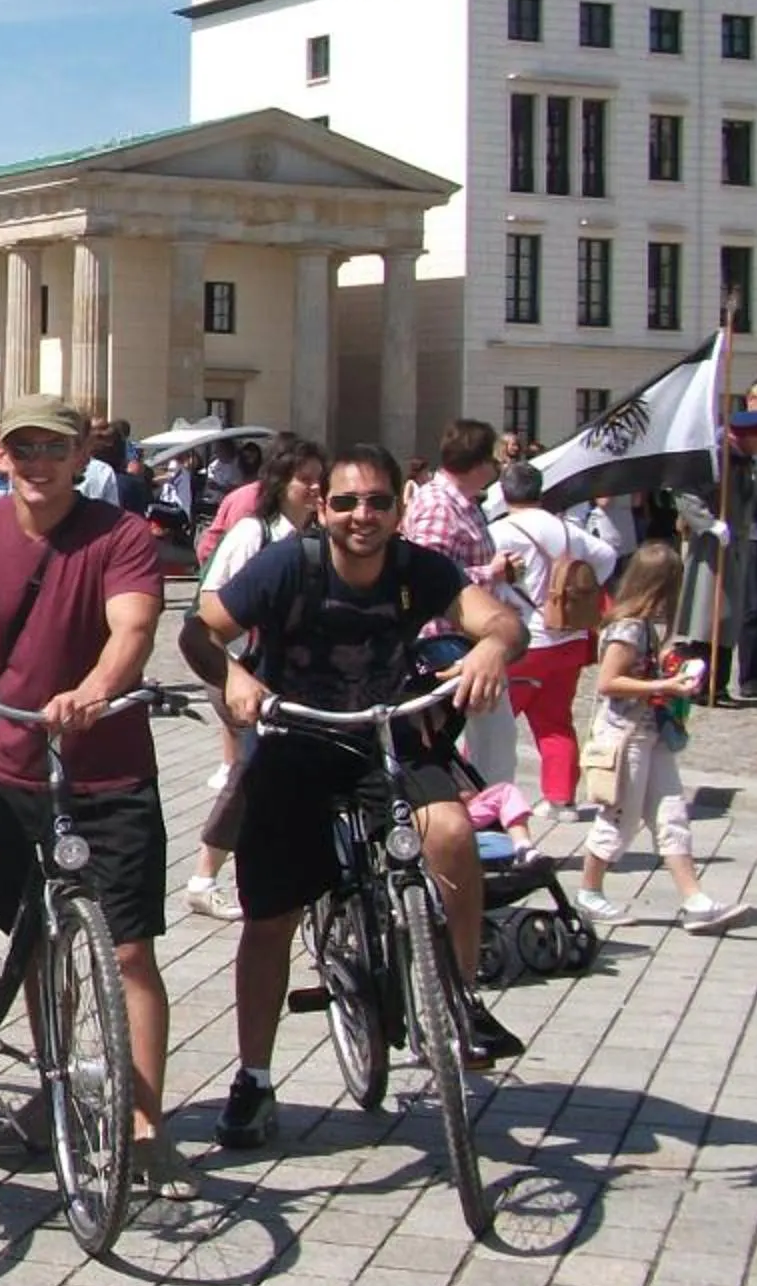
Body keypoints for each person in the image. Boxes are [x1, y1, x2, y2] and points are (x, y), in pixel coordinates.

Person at [182, 442, 530, 1152]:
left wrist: (494, 647)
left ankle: (459, 997)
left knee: (452, 834)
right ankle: (253, 1078)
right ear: (322, 507)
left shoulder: (417, 568)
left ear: (400, 509)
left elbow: (501, 621)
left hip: (386, 735)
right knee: (270, 916)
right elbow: (199, 629)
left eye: (377, 502)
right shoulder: (290, 565)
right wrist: (233, 675)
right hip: (297, 737)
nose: (361, 515)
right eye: (345, 502)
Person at [0, 393, 186, 1195]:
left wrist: (96, 689)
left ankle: (144, 1122)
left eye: (54, 449)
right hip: (16, 766)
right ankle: (56, 1088)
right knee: (38, 941)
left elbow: (134, 628)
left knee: (128, 947)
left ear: (80, 458)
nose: (38, 463)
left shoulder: (119, 535)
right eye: (23, 448)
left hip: (109, 767)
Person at [181, 439, 327, 922]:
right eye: (305, 479)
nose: (315, 488)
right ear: (281, 483)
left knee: (279, 772)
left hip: (286, 675)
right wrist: (236, 666)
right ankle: (203, 878)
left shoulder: (314, 535)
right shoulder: (254, 531)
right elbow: (209, 601)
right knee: (251, 769)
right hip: (235, 666)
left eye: (320, 479)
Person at [573, 540, 752, 931]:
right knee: (620, 817)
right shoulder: (629, 627)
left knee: (671, 814)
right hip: (626, 735)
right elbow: (608, 682)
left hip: (649, 731)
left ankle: (695, 901)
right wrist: (666, 685)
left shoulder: (643, 625)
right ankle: (589, 892)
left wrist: (671, 672)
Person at [490, 458, 616, 815]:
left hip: (524, 640)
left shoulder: (499, 532)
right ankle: (560, 798)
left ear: (504, 493)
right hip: (569, 637)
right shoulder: (567, 529)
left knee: (493, 724)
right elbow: (606, 556)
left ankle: (483, 793)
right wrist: (578, 592)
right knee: (557, 721)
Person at [399, 420, 521, 792]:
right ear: (478, 463)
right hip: (445, 646)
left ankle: (487, 809)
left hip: (468, 638)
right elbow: (427, 578)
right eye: (493, 460)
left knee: (492, 744)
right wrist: (491, 572)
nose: (497, 468)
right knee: (489, 744)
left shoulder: (463, 503)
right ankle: (487, 812)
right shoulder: (439, 506)